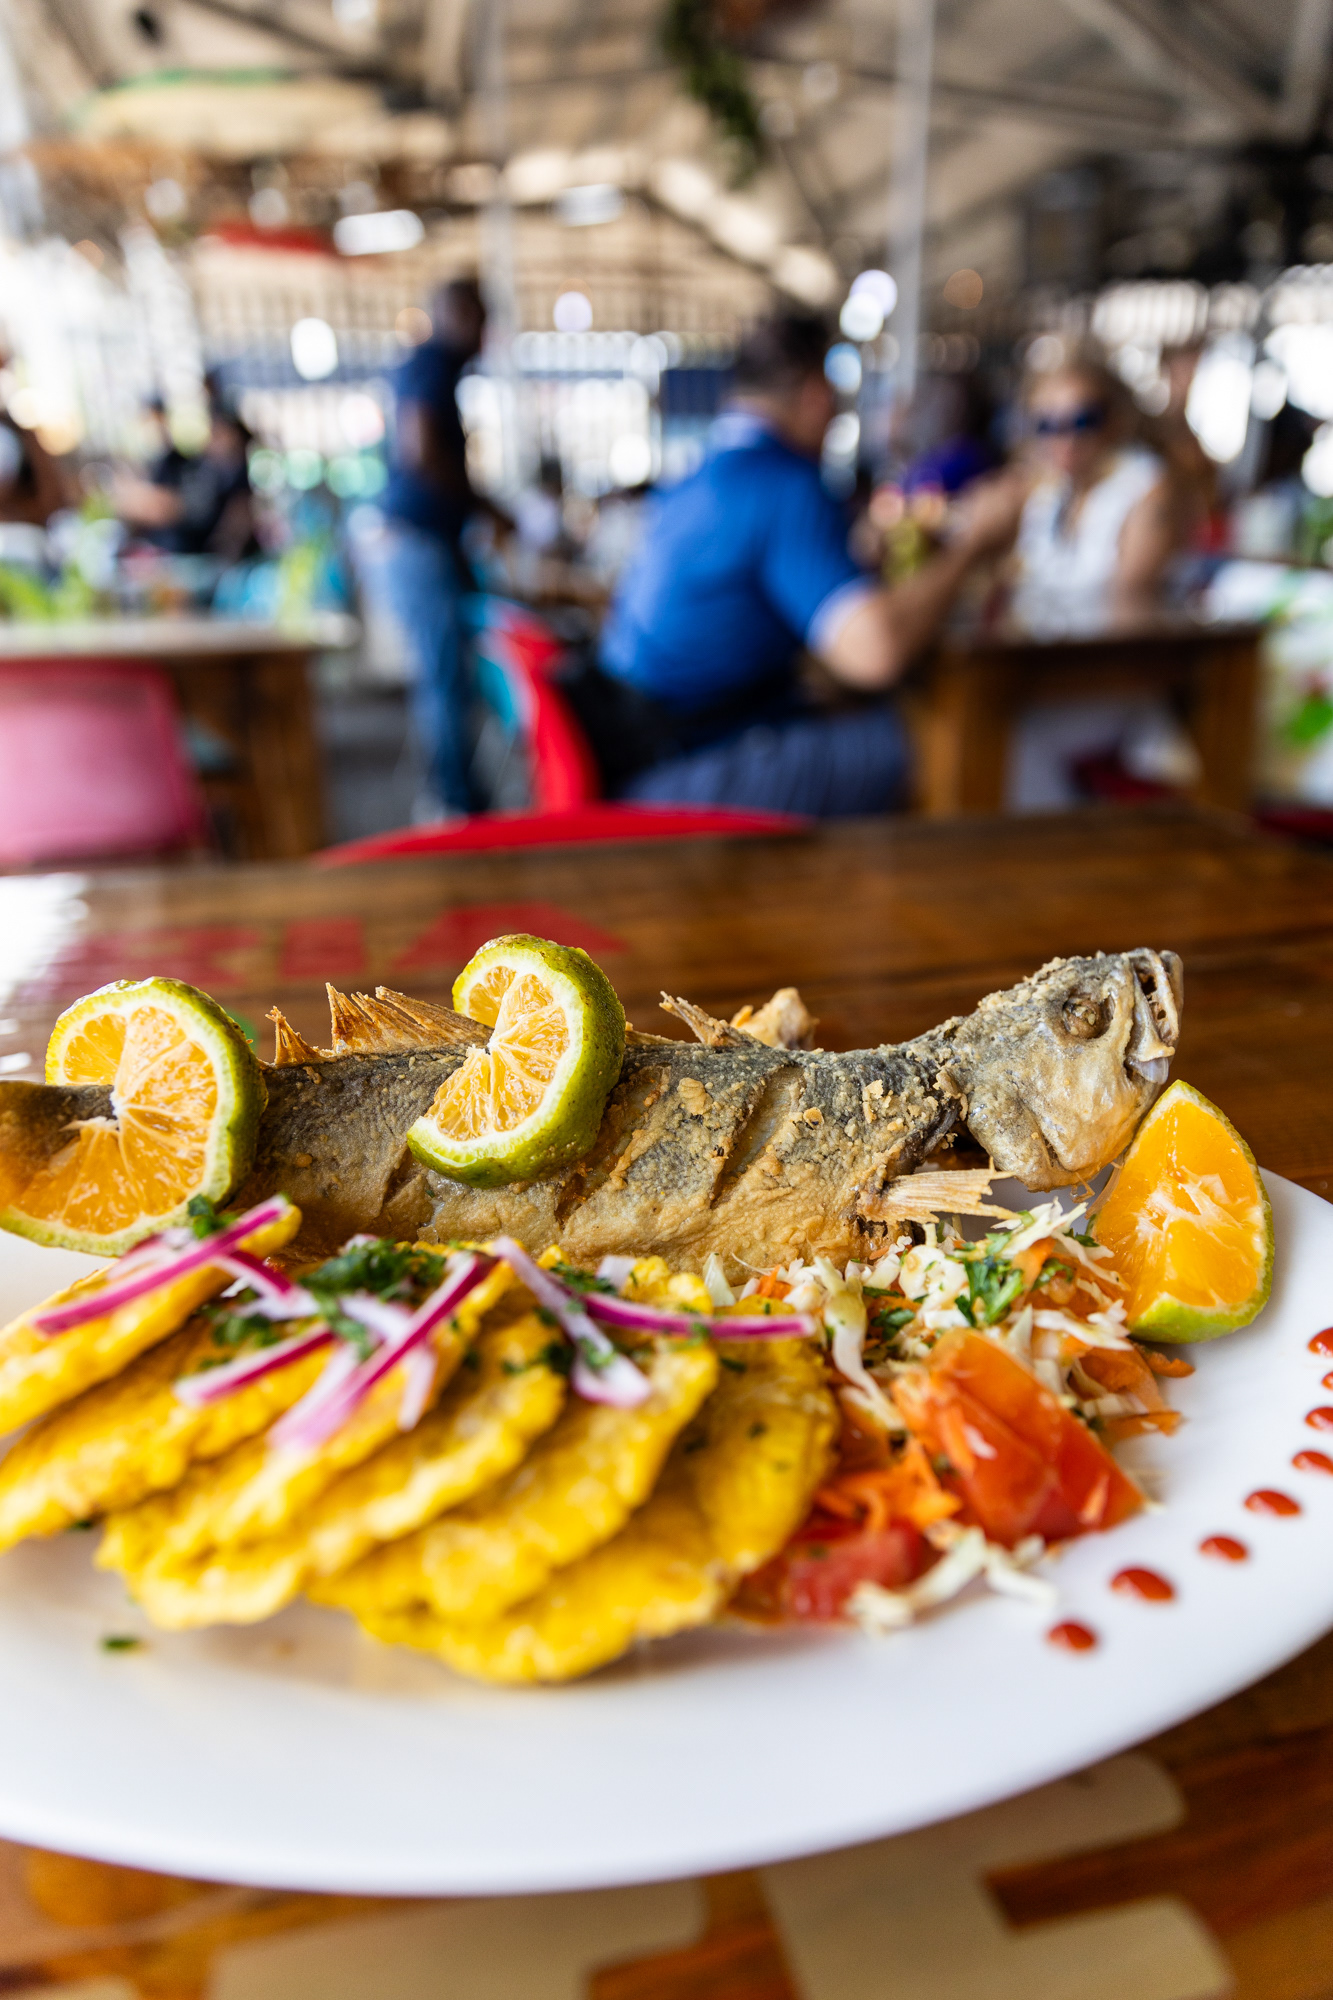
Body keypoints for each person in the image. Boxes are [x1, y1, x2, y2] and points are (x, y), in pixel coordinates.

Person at [584, 314, 1022, 815]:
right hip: (677, 771)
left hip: (634, 746)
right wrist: (972, 547)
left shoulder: (700, 474)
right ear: (816, 394)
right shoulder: (785, 482)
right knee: (921, 739)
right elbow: (876, 653)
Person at [377, 277, 502, 817]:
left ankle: (456, 793)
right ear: (455, 314)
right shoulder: (431, 364)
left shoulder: (435, 370)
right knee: (445, 677)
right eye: (477, 316)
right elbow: (421, 451)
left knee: (448, 675)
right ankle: (454, 803)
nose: (484, 332)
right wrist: (484, 506)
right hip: (417, 546)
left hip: (425, 546)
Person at [1013, 356, 1178, 625]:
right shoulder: (1044, 490)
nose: (1066, 439)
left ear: (1114, 421)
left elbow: (1131, 604)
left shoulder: (1143, 484)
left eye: (1082, 421)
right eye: (1048, 425)